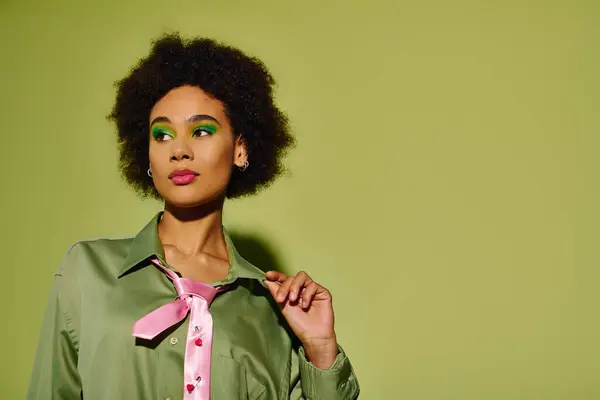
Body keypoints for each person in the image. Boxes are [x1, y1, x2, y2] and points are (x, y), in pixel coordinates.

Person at [27, 33, 359, 400]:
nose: (179, 150)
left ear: (240, 149)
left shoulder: (271, 309)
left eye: (201, 131)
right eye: (162, 135)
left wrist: (320, 349)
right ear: (148, 157)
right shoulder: (87, 271)